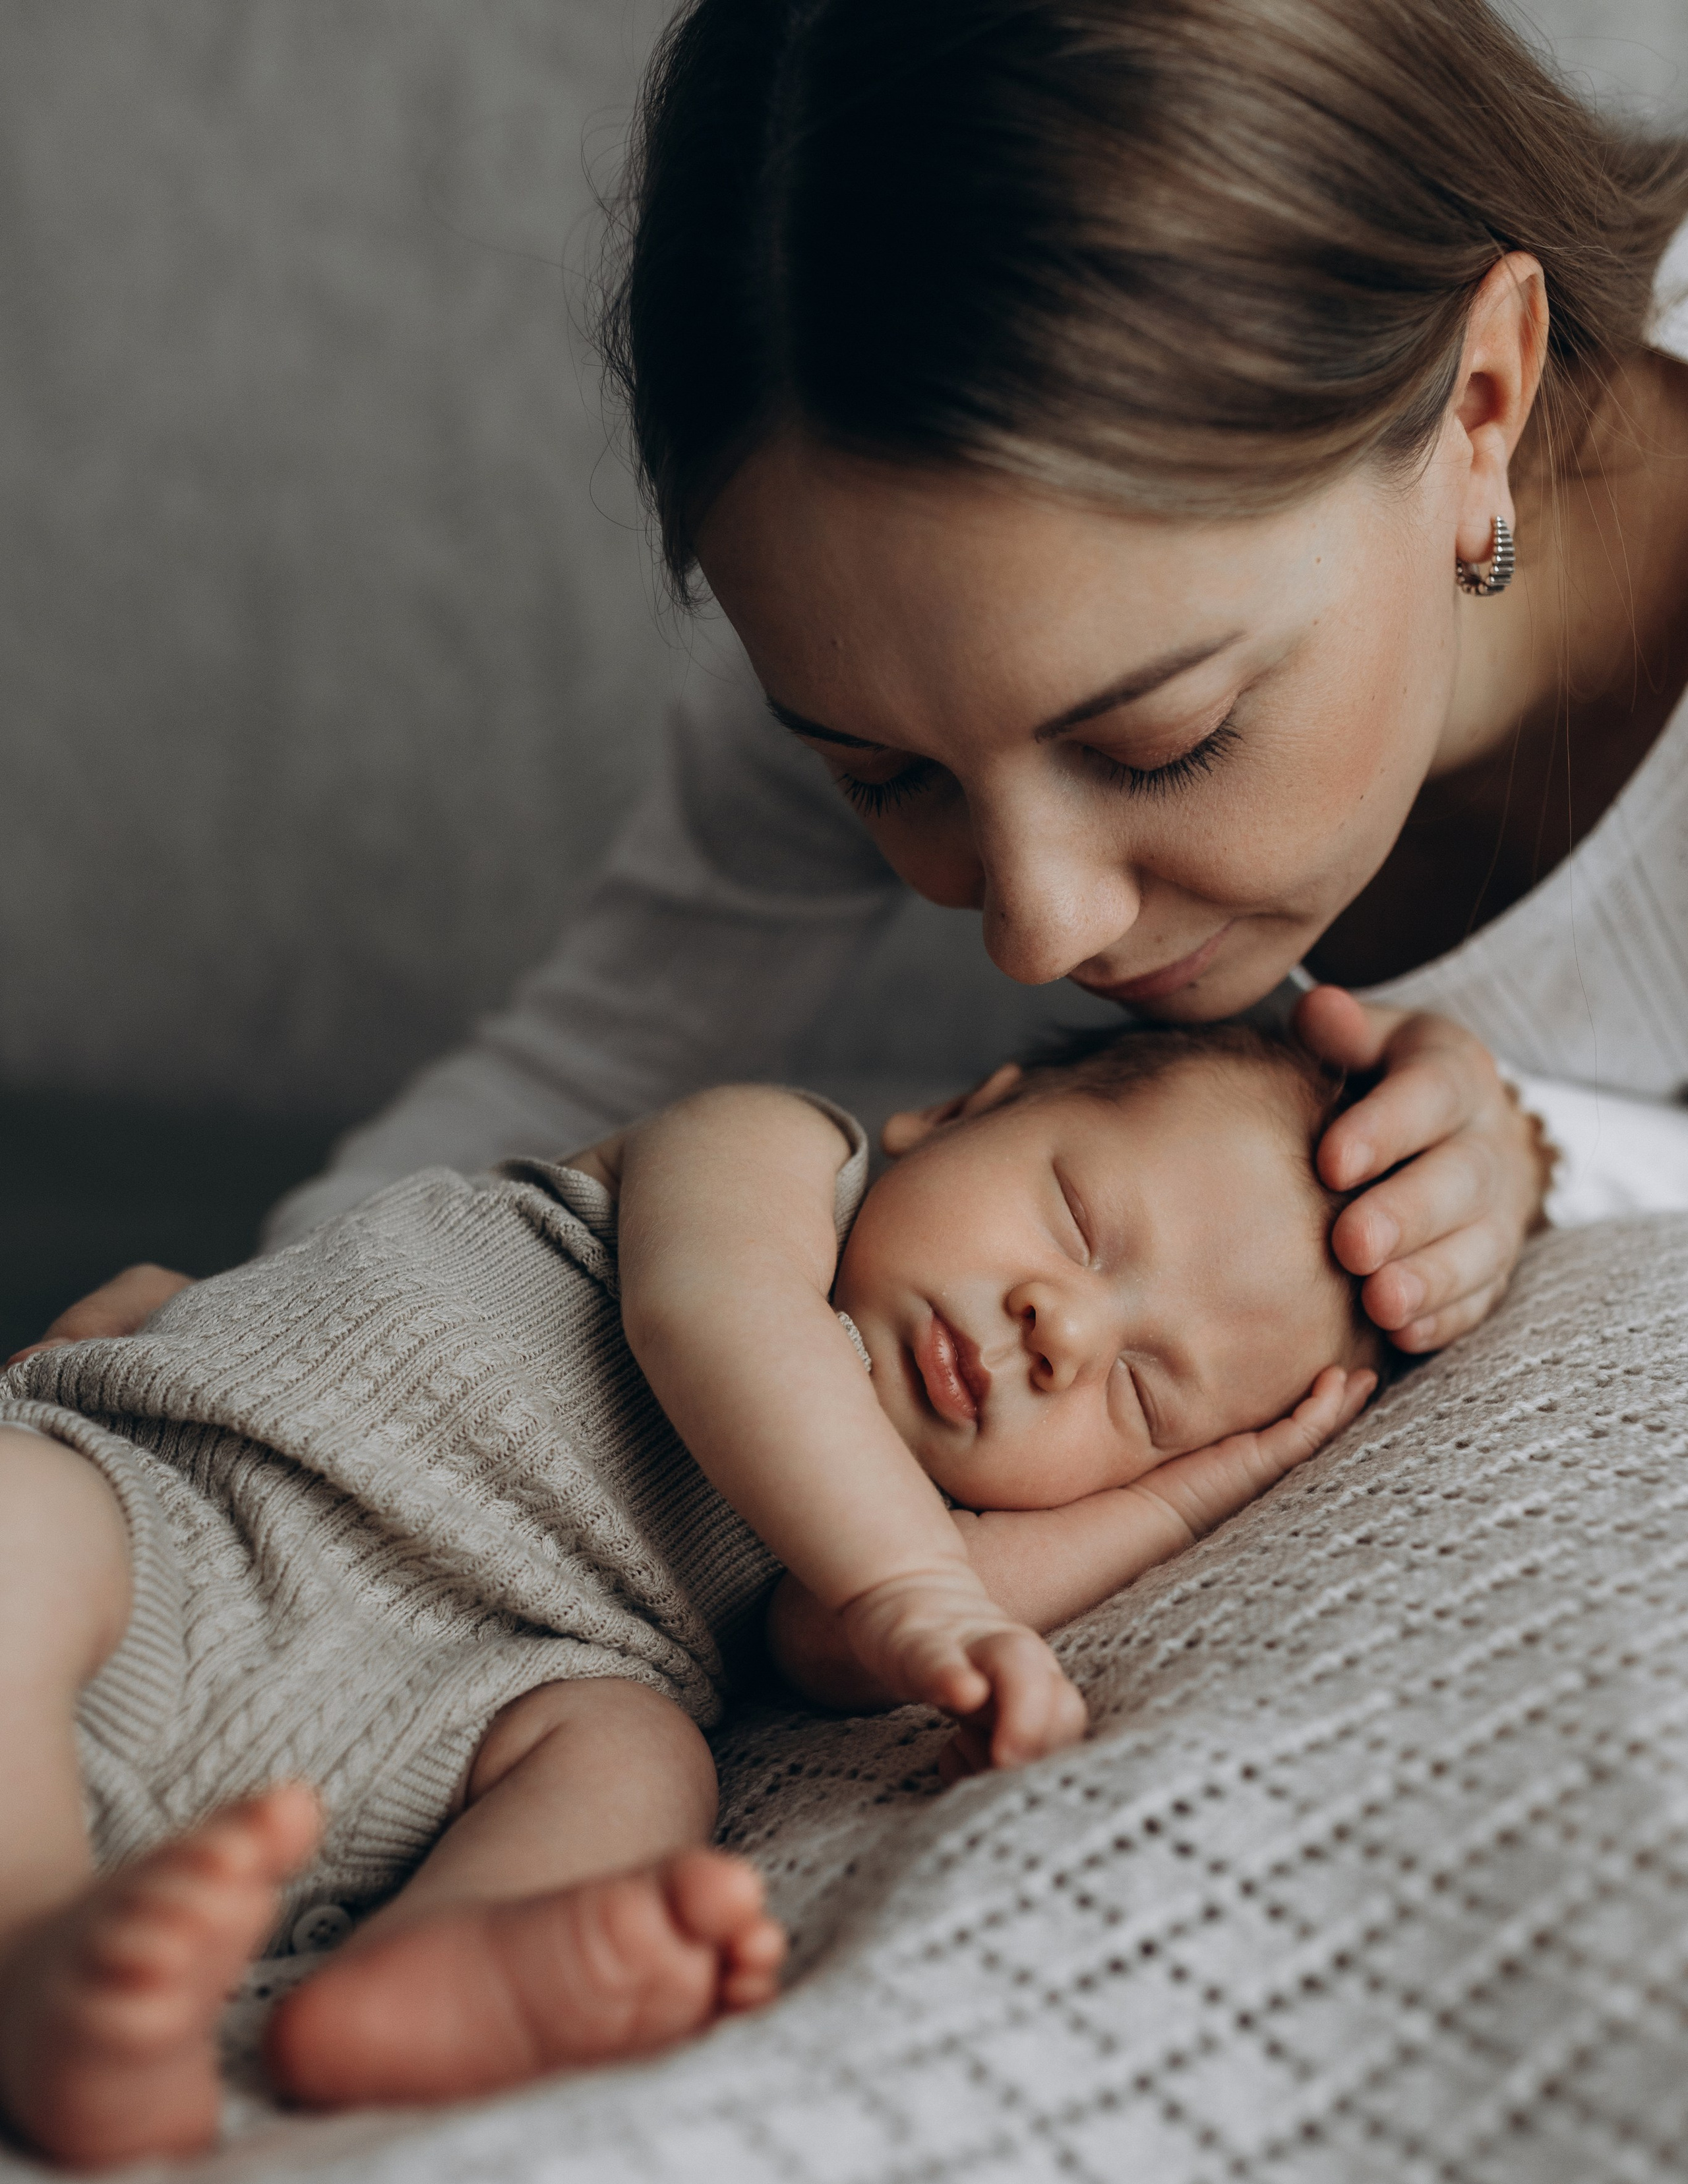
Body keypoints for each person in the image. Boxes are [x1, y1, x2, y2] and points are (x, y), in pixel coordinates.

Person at [26, 4, 1688, 1367]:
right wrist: (247, 1339)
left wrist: (1545, 1152)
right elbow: (580, 1064)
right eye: (886, 784)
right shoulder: (896, 645)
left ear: (1480, 399)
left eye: (1159, 740)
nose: (1033, 930)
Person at [0, 1026, 1375, 2168]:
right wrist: (915, 1585)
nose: (1059, 1330)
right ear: (960, 1109)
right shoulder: (769, 1154)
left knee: (640, 1759)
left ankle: (423, 1979)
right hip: (175, 1514)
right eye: (1078, 1224)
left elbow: (837, 1647)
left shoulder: (892, 1532)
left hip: (466, 1706)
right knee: (20, 1517)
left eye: (1140, 1395)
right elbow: (715, 1313)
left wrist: (1171, 1504)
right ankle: (34, 1949)